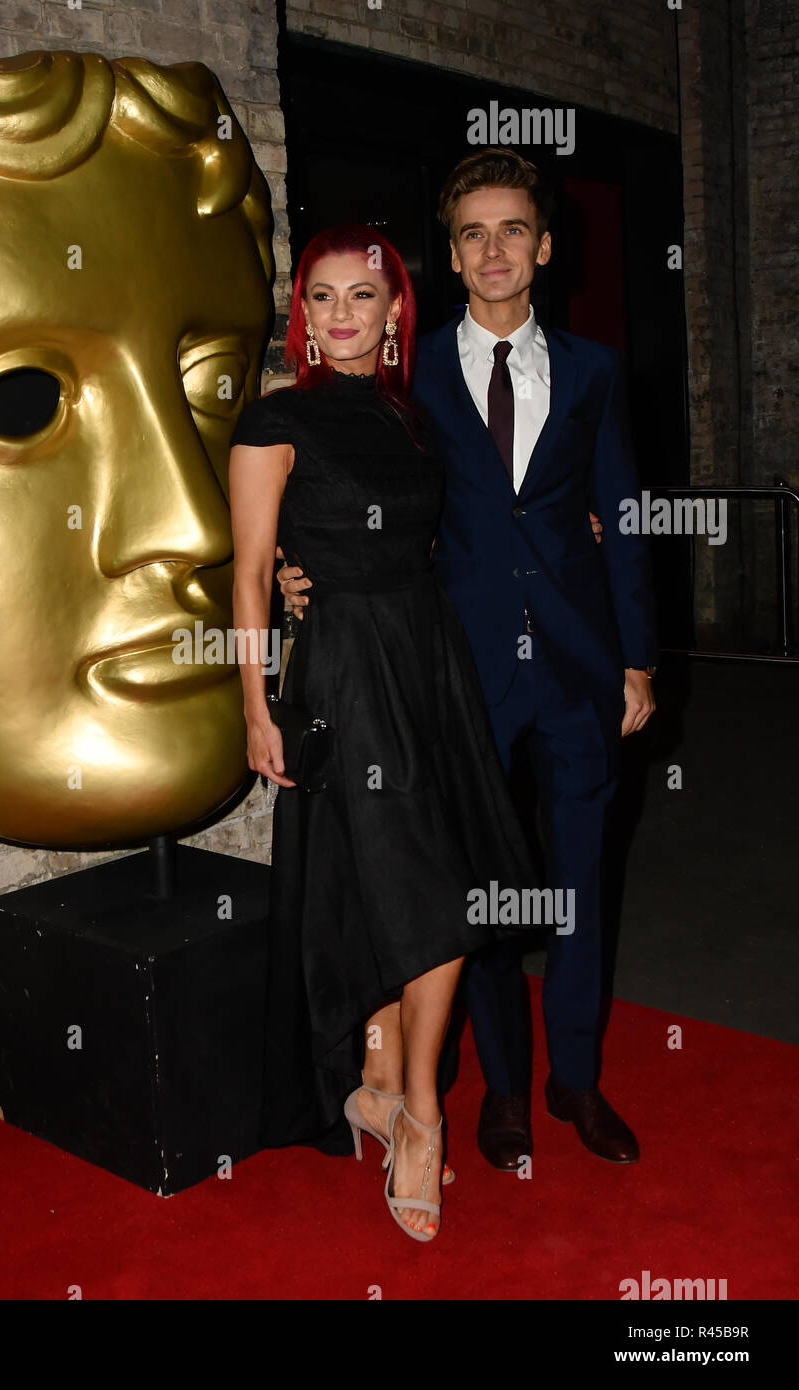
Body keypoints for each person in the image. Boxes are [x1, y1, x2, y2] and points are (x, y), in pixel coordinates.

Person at [279, 150, 657, 1173]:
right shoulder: (411, 379)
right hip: (454, 670)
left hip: (581, 662)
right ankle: (497, 1091)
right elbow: (339, 485)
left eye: (511, 230)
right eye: (471, 234)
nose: (493, 250)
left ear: (541, 246)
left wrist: (636, 660)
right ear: (448, 256)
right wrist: (289, 570)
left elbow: (618, 514)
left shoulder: (592, 371)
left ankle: (572, 1076)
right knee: (479, 889)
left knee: (578, 883)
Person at [229, 224, 538, 1240]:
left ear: (394, 308)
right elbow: (245, 571)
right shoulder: (274, 420)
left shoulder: (410, 422)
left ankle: (374, 1081)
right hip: (345, 671)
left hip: (428, 660)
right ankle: (417, 1118)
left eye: (360, 295)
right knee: (427, 892)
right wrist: (254, 705)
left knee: (402, 881)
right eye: (320, 298)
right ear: (303, 318)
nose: (341, 314)